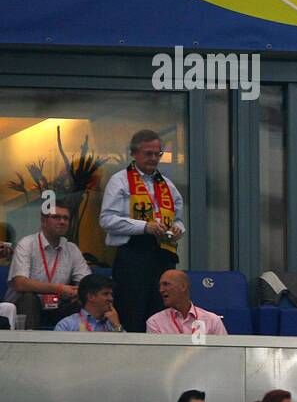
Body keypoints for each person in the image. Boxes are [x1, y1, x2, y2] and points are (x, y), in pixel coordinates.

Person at [99, 129, 184, 332]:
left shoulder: (168, 185)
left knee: (162, 313)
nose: (153, 158)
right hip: (133, 257)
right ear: (134, 153)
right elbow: (107, 220)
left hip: (163, 256)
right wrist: (145, 227)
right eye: (148, 153)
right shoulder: (120, 181)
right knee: (132, 313)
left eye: (157, 154)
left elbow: (179, 219)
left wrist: (178, 229)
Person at [4, 201, 90, 329]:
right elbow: (20, 283)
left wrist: (79, 291)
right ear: (43, 221)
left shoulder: (71, 249)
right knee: (28, 298)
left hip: (58, 305)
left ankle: (74, 346)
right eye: (56, 217)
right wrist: (59, 289)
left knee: (82, 299)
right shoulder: (27, 244)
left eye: (65, 218)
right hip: (25, 306)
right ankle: (30, 345)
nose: (62, 222)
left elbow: (87, 282)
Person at [145, 270, 228, 336]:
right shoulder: (155, 322)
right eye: (160, 285)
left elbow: (226, 352)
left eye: (166, 284)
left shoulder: (212, 321)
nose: (161, 290)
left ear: (183, 286)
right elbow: (155, 355)